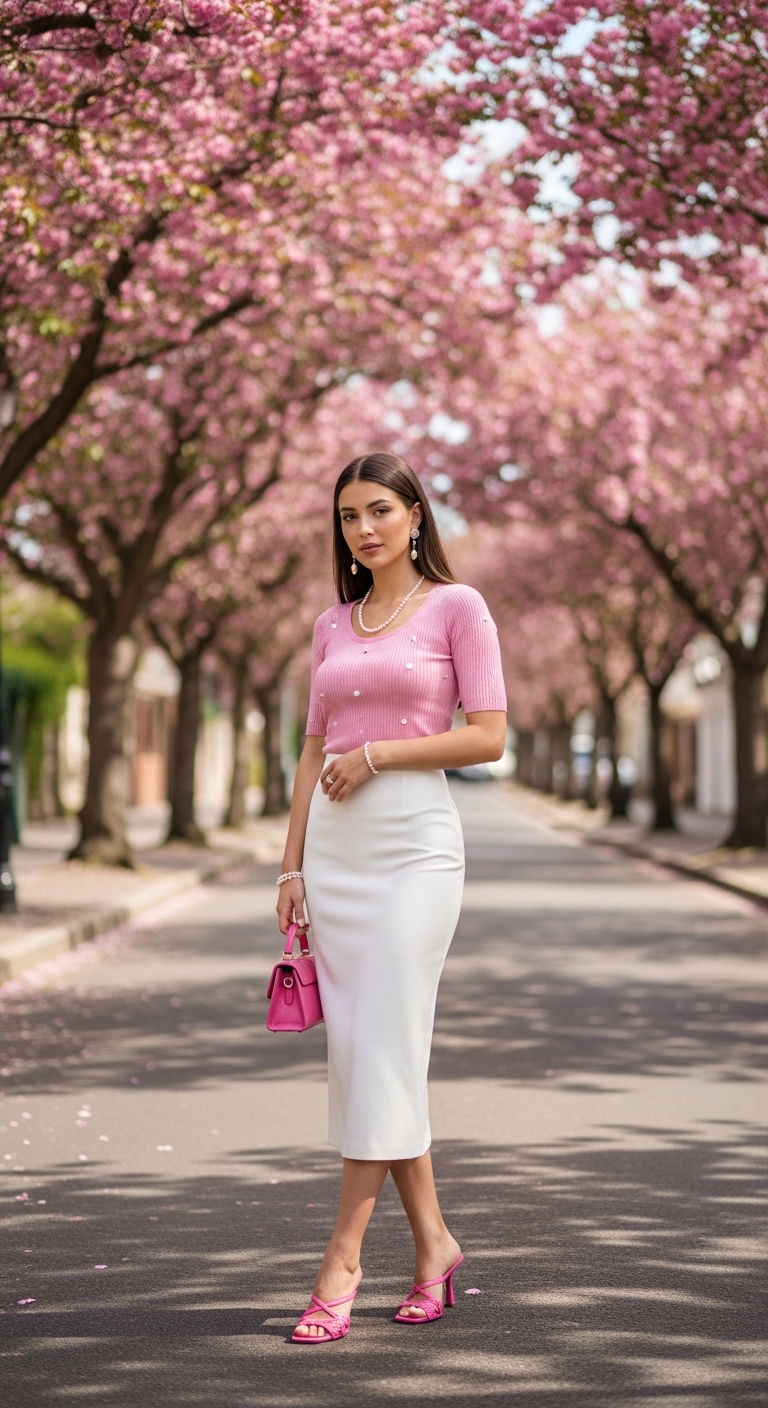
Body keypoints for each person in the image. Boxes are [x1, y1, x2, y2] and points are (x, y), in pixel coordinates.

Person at [276, 452, 507, 1344]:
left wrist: (378, 756)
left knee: (381, 1042)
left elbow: (486, 736)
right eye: (347, 517)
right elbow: (309, 748)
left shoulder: (460, 608)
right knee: (376, 1053)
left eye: (379, 510)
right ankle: (437, 1246)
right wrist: (290, 868)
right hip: (335, 853)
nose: (363, 529)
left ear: (415, 515)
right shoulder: (332, 624)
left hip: (415, 846)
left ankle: (340, 1260)